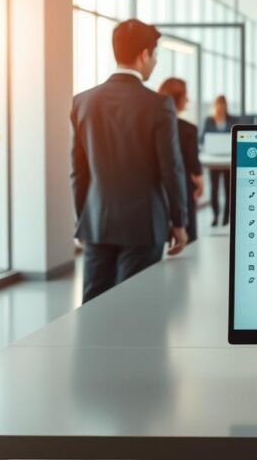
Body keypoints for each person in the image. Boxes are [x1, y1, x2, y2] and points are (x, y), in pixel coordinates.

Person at [70, 19, 188, 304]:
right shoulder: (158, 105)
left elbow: (78, 171)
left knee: (94, 307)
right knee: (136, 309)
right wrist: (179, 222)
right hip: (144, 225)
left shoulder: (83, 101)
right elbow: (170, 169)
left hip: (97, 222)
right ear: (145, 54)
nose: (155, 62)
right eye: (155, 55)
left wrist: (82, 220)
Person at [158, 78, 203, 242]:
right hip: (182, 189)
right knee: (188, 240)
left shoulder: (152, 125)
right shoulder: (188, 129)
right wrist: (199, 183)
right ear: (180, 98)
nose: (188, 100)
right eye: (186, 96)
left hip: (156, 192)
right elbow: (193, 166)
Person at [201, 95, 233, 227]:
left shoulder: (232, 119)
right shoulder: (209, 120)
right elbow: (202, 138)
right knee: (214, 189)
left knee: (228, 189)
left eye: (223, 104)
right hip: (213, 160)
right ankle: (215, 215)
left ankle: (226, 217)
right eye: (218, 104)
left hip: (228, 160)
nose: (221, 106)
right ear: (215, 105)